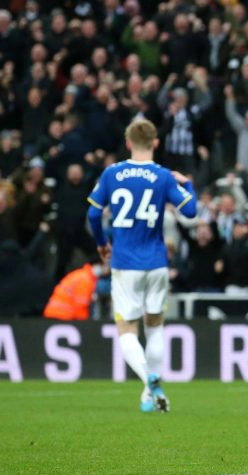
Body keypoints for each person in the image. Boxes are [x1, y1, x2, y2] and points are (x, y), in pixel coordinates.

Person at [87, 119, 197, 413]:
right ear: (155, 143)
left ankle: (148, 380)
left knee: (126, 329)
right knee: (155, 326)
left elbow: (93, 214)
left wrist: (101, 243)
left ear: (128, 143)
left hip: (125, 262)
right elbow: (190, 211)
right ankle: (150, 394)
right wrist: (188, 184)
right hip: (156, 262)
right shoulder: (163, 176)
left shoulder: (112, 173)